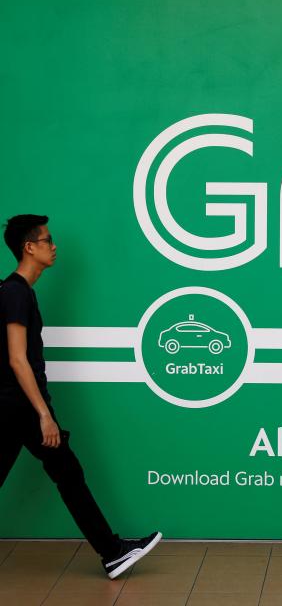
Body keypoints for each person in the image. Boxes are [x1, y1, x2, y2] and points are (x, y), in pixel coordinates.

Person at [0, 214, 161, 579]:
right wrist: (43, 414)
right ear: (29, 247)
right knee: (68, 474)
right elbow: (16, 359)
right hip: (21, 406)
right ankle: (113, 552)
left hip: (15, 405)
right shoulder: (14, 292)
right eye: (47, 240)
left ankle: (113, 552)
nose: (53, 247)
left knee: (67, 474)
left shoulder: (19, 291)